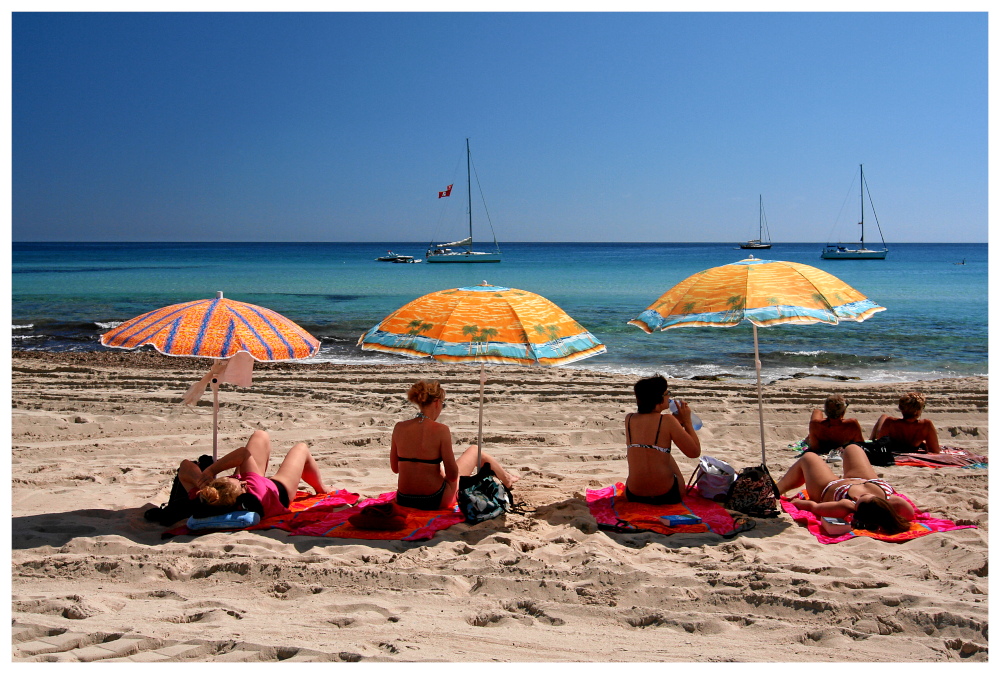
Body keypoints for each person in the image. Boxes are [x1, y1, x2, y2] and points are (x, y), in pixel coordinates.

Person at [391, 380, 518, 511]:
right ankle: (507, 479)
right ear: (436, 403)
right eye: (443, 405)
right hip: (434, 499)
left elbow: (395, 468)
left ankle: (507, 478)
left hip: (404, 498)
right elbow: (452, 475)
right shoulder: (441, 430)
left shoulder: (399, 427)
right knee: (475, 451)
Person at [177, 430, 328, 519]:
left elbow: (184, 467)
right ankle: (322, 488)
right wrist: (211, 471)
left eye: (236, 480)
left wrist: (200, 480)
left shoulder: (207, 499)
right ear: (243, 493)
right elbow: (243, 453)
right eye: (243, 485)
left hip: (250, 486)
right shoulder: (254, 488)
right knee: (301, 449)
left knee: (259, 435)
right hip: (279, 491)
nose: (243, 482)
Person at [776, 443, 915, 534]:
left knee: (808, 457)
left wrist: (794, 503)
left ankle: (776, 490)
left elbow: (813, 507)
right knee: (852, 448)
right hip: (869, 481)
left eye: (858, 501)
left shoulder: (845, 505)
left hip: (829, 487)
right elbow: (909, 514)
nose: (856, 497)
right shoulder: (894, 502)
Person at [623, 375, 700, 505]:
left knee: (653, 449)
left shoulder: (629, 419)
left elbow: (650, 430)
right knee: (664, 453)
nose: (669, 397)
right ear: (659, 398)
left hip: (633, 494)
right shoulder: (667, 420)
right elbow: (694, 452)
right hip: (667, 495)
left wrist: (676, 423)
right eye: (667, 393)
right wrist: (687, 422)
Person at [870, 391, 941, 453]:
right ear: (918, 410)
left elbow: (880, 443)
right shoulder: (926, 425)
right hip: (913, 444)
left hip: (893, 443)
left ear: (900, 408)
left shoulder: (890, 422)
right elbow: (935, 450)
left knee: (884, 416)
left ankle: (871, 439)